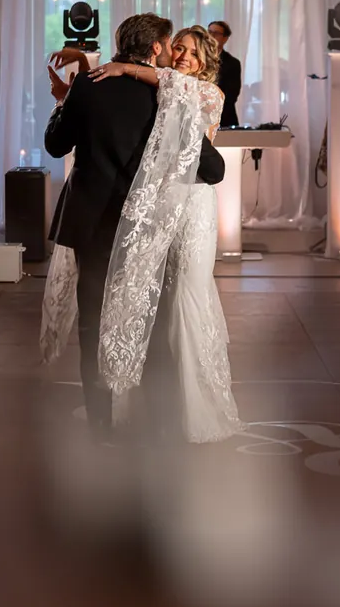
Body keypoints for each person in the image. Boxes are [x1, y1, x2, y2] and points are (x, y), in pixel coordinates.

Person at [41, 14, 227, 442]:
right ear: (157, 47)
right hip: (144, 226)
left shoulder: (87, 87)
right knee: (150, 323)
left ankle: (101, 422)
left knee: (91, 322)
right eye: (171, 44)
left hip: (91, 224)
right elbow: (212, 167)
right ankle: (155, 420)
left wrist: (63, 102)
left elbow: (55, 145)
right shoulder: (167, 96)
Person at [86, 25, 244, 443]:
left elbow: (168, 83)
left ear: (205, 61)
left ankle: (198, 412)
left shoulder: (209, 93)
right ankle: (161, 404)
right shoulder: (165, 91)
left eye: (191, 52)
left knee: (188, 296)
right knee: (161, 300)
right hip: (164, 200)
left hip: (195, 204)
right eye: (178, 48)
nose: (182, 56)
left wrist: (124, 67)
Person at [207, 20, 241, 128]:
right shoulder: (197, 58)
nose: (211, 36)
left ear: (225, 38)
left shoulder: (232, 63)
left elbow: (231, 95)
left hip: (224, 118)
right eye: (209, 32)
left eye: (216, 33)